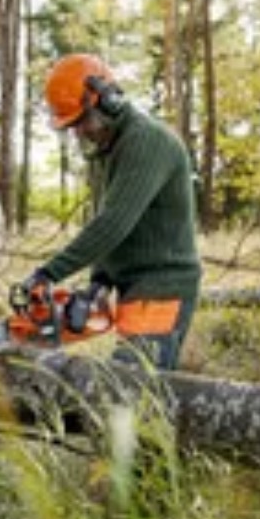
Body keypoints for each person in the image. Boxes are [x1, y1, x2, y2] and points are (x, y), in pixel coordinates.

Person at [23, 53, 201, 371]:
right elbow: (116, 225)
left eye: (82, 121)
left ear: (107, 99)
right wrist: (99, 282)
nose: (79, 133)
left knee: (131, 390)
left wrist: (48, 273)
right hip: (133, 287)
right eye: (72, 126)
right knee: (127, 390)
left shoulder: (147, 141)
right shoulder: (109, 150)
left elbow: (114, 222)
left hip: (161, 285)